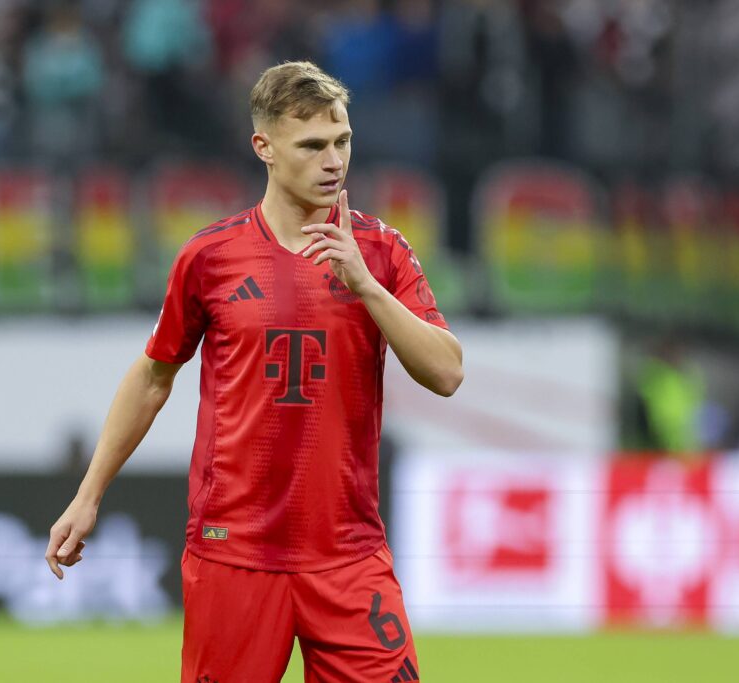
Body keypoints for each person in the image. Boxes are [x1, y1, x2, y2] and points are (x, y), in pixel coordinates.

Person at [45, 61, 463, 682]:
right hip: (232, 552)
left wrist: (368, 288)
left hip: (348, 555)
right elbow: (154, 376)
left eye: (343, 141)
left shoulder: (381, 251)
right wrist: (88, 494)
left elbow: (448, 373)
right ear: (263, 148)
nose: (334, 161)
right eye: (313, 145)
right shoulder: (211, 257)